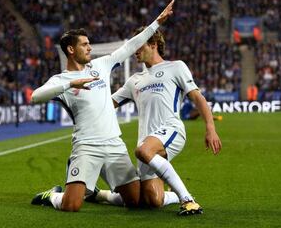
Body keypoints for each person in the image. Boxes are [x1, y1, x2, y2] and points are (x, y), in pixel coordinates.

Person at [29, 0, 175, 212]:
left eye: (89, 43)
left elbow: (128, 47)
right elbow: (35, 97)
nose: (90, 47)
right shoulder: (61, 79)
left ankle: (97, 194)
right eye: (84, 44)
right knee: (71, 206)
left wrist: (156, 24)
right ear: (71, 49)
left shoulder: (100, 66)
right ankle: (52, 195)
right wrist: (70, 83)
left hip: (114, 145)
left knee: (135, 201)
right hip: (86, 146)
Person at [92, 27, 222, 215]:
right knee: (149, 200)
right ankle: (99, 195)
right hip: (146, 141)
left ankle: (188, 200)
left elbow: (198, 98)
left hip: (171, 130)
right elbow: (107, 104)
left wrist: (210, 128)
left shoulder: (176, 67)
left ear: (153, 45)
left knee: (143, 150)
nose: (135, 51)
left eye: (139, 45)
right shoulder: (134, 80)